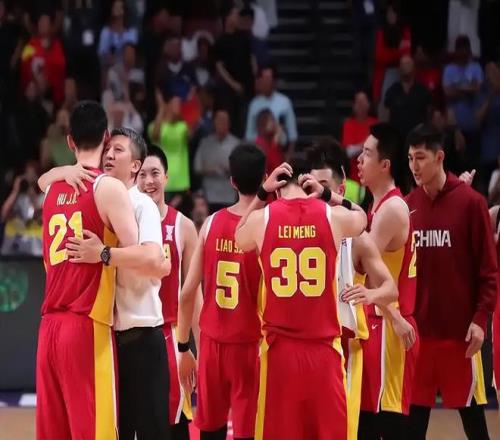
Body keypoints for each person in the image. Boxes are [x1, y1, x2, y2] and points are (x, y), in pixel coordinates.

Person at [39, 124, 172, 440]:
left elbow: (154, 260)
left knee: (152, 432)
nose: (109, 154)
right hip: (107, 338)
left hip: (141, 336)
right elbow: (42, 182)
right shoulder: (95, 192)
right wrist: (64, 170)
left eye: (118, 150)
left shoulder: (141, 203)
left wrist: (103, 253)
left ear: (135, 165)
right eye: (108, 148)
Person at [234, 159, 367, 439]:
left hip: (280, 354)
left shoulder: (262, 219)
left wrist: (261, 193)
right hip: (324, 352)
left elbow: (238, 237)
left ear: (278, 187)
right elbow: (362, 217)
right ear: (308, 184)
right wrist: (328, 194)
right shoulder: (332, 216)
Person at [36, 101, 138, 440]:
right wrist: (104, 254)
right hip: (86, 325)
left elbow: (42, 181)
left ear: (69, 142)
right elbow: (138, 252)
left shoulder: (51, 190)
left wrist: (57, 172)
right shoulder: (107, 187)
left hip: (48, 328)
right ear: (107, 137)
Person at [406, 123, 497, 440]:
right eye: (410, 158)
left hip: (462, 339)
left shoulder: (471, 203)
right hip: (418, 339)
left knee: (475, 427)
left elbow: (488, 271)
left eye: (420, 158)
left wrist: (481, 319)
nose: (414, 166)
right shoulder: (407, 205)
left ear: (440, 157)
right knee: (412, 428)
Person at [306, 143, 398, 440]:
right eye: (311, 186)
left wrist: (370, 295)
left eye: (324, 186)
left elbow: (390, 287)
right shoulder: (299, 232)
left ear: (340, 189)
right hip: (305, 348)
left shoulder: (357, 238)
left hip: (343, 350)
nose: (316, 194)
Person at [178, 144, 266, 440]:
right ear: (265, 178)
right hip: (249, 344)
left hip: (212, 344)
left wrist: (183, 346)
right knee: (247, 432)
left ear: (232, 182)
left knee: (210, 430)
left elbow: (187, 292)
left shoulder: (211, 223)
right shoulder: (266, 226)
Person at [356, 123, 419, 439]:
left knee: (385, 423)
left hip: (389, 326)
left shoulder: (391, 209)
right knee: (367, 422)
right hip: (380, 322)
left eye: (367, 153)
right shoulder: (377, 205)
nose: (359, 159)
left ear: (385, 165)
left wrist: (393, 316)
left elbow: (364, 269)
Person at [137, 144, 201, 438]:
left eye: (155, 173)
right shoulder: (125, 222)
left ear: (166, 177)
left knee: (174, 425)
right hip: (132, 335)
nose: (149, 181)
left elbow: (193, 294)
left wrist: (200, 348)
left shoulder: (183, 226)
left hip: (169, 336)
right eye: (142, 174)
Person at [194, 109, 239, 212]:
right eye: (219, 120)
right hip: (209, 196)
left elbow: (243, 170)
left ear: (229, 123)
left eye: (224, 120)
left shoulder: (236, 144)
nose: (221, 123)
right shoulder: (205, 143)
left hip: (229, 196)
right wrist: (210, 170)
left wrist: (230, 169)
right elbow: (197, 168)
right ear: (214, 123)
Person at [245, 65, 297, 154]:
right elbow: (249, 135)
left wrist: (289, 156)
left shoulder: (285, 102)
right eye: (264, 79)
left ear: (274, 81)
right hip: (259, 151)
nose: (266, 82)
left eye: (268, 79)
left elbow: (292, 134)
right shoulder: (254, 104)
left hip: (280, 149)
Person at [149, 89, 190, 197]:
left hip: (181, 183)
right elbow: (154, 136)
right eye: (175, 103)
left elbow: (190, 133)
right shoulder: (155, 126)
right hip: (163, 182)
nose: (178, 106)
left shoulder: (183, 127)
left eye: (179, 104)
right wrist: (161, 109)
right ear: (167, 105)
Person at [383, 55, 432, 140]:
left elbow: (429, 116)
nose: (405, 67)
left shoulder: (423, 91)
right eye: (403, 64)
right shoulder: (392, 91)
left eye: (408, 64)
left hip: (418, 139)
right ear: (399, 69)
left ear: (414, 68)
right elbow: (386, 116)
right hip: (396, 139)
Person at [342, 90, 378, 183]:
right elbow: (349, 152)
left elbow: (377, 150)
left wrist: (360, 147)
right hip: (353, 176)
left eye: (363, 102)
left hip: (372, 176)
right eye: (358, 102)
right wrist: (366, 144)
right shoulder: (348, 124)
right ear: (353, 105)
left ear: (369, 104)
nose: (361, 105)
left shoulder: (375, 123)